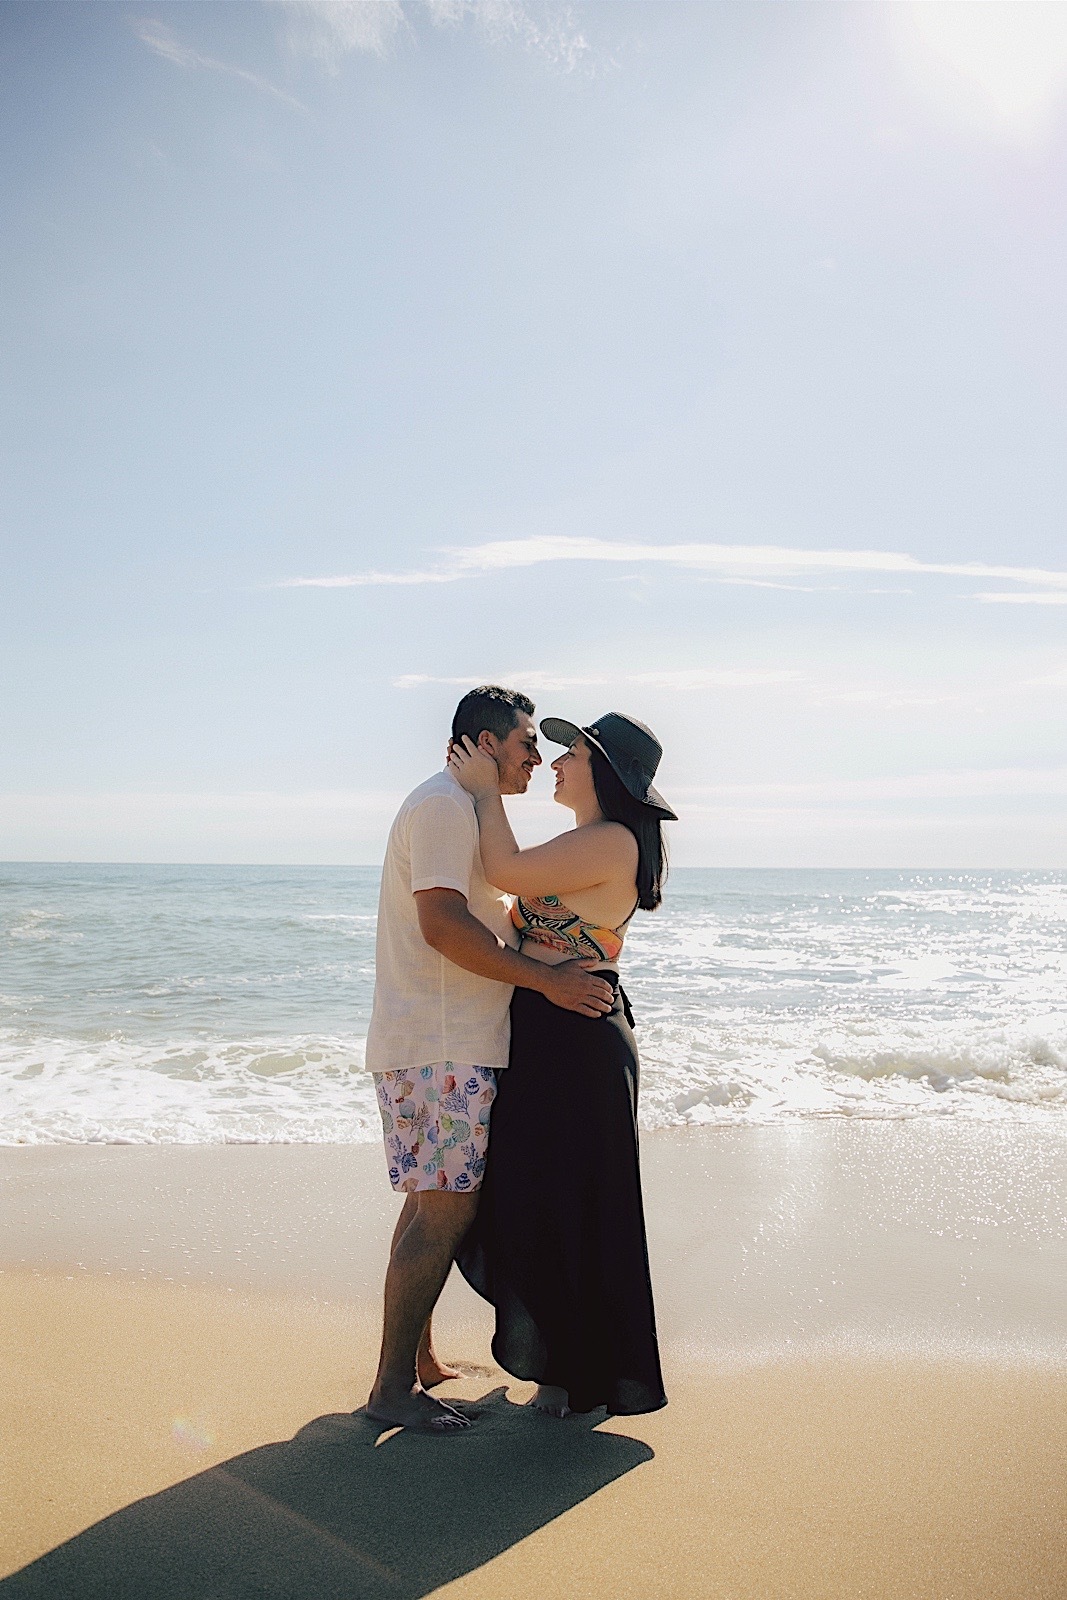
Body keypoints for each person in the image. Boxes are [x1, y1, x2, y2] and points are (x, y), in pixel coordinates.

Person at [365, 685, 616, 1434]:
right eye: (526, 743)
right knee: (444, 1209)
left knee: (429, 1202)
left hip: (434, 1038)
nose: (537, 758)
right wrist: (547, 980)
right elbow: (443, 925)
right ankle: (390, 1390)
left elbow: (483, 908)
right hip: (443, 1042)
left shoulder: (453, 805)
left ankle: (416, 1363)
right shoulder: (445, 808)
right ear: (483, 743)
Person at [449, 711, 674, 1418]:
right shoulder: (589, 840)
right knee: (543, 1197)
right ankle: (564, 1367)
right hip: (551, 1027)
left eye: (571, 753)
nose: (555, 762)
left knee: (571, 1201)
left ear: (604, 771)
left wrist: (483, 792)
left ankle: (581, 1376)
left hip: (576, 1034)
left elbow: (503, 870)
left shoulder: (610, 841)